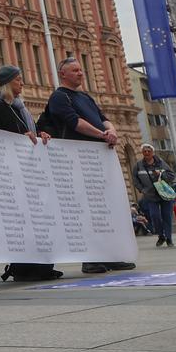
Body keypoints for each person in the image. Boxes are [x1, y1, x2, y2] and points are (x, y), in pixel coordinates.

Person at [43, 58, 136, 274]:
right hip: (78, 159)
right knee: (86, 209)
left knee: (105, 209)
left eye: (81, 70)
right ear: (63, 74)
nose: (80, 73)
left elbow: (103, 118)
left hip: (99, 159)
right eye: (75, 70)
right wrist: (102, 135)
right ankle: (91, 258)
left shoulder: (85, 97)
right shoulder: (59, 97)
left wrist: (111, 130)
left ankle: (110, 255)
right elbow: (74, 122)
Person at [0, 64, 62, 281]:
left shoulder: (22, 109)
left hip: (31, 173)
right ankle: (24, 268)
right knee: (22, 222)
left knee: (38, 220)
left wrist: (40, 135)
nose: (22, 83)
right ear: (9, 82)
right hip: (13, 175)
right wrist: (19, 137)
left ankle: (44, 266)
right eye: (19, 79)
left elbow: (31, 132)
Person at [132, 143, 175, 248]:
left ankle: (169, 238)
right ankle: (161, 236)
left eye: (149, 151)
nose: (147, 153)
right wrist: (142, 190)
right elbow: (135, 179)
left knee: (167, 216)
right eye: (144, 151)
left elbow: (171, 175)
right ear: (142, 153)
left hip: (164, 194)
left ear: (152, 152)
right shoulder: (138, 165)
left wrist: (161, 175)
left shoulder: (161, 163)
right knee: (154, 216)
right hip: (150, 195)